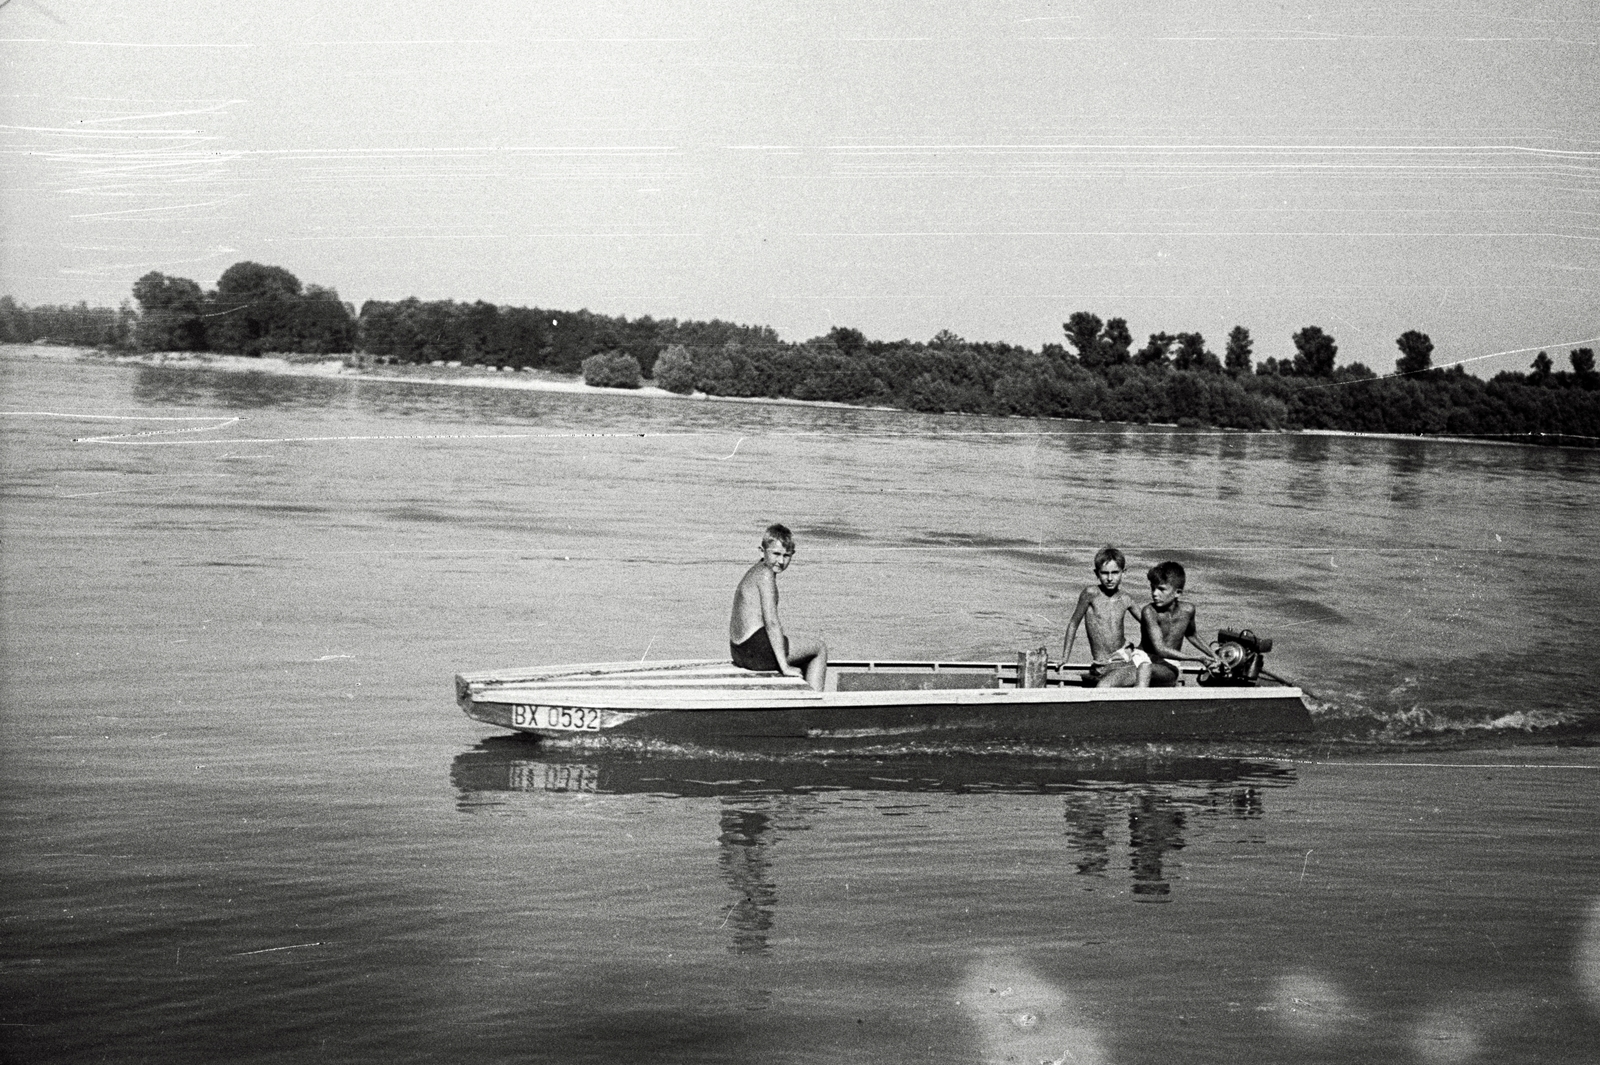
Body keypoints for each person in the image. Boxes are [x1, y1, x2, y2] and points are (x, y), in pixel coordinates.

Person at [729, 523, 828, 690]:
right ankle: (814, 705)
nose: (781, 561)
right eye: (776, 554)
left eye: (787, 555)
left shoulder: (755, 571)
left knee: (794, 644)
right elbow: (772, 623)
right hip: (755, 652)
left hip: (738, 651)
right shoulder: (766, 576)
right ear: (762, 551)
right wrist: (785, 667)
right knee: (819, 648)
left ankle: (801, 692)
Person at [1063, 546, 1149, 687]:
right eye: (1104, 573)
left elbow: (1148, 624)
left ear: (1124, 573)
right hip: (1101, 665)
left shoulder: (1126, 598)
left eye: (1115, 573)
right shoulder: (1090, 593)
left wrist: (1141, 647)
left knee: (1104, 687)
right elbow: (1073, 624)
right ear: (1096, 573)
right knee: (1103, 686)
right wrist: (1065, 658)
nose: (1110, 578)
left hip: (1124, 663)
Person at [1135, 561, 1218, 687]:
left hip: (1169, 663)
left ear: (1177, 592)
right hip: (1142, 657)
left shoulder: (1188, 610)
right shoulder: (1149, 611)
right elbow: (1160, 649)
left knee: (1146, 668)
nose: (1154, 594)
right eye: (1153, 588)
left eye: (1161, 589)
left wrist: (1214, 656)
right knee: (1109, 681)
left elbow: (1192, 635)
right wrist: (1197, 658)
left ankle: (1137, 704)